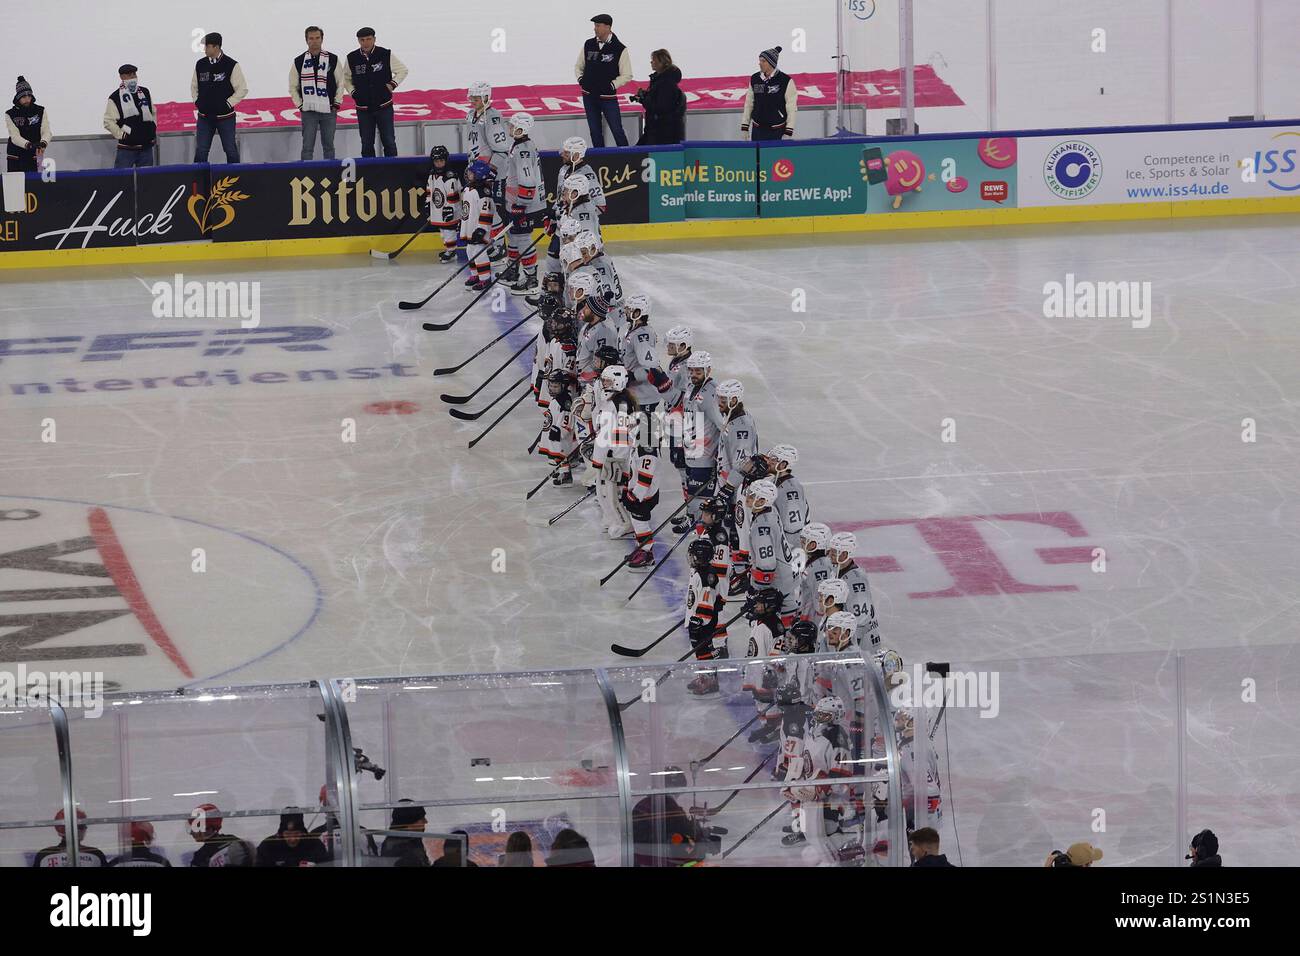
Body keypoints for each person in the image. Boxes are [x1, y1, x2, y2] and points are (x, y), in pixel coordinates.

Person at [345, 28, 407, 158]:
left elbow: (402, 70)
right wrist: (353, 92)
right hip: (363, 108)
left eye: (368, 39)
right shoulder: (352, 58)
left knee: (389, 141)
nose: (366, 42)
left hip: (384, 106)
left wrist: (392, 84)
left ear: (374, 39)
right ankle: (369, 175)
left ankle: (392, 173)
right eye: (362, 40)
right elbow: (345, 78)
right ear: (358, 41)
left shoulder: (385, 54)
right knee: (366, 144)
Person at [502, 112, 546, 295]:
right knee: (513, 236)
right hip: (517, 202)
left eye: (512, 126)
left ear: (521, 128)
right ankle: (513, 271)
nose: (509, 128)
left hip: (525, 204)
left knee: (522, 239)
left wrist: (522, 204)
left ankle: (531, 279)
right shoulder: (519, 144)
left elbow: (528, 180)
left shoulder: (523, 149)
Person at [575, 14, 631, 148]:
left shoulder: (620, 48)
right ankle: (599, 160)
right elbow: (578, 66)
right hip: (589, 96)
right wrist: (581, 80)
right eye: (595, 25)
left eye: (598, 26)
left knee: (617, 130)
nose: (595, 29)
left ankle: (628, 158)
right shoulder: (588, 44)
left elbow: (627, 74)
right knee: (595, 132)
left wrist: (612, 85)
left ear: (608, 27)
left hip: (608, 98)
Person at [290, 26, 346, 161]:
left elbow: (341, 83)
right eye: (311, 38)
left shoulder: (332, 59)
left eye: (317, 38)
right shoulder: (299, 61)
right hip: (309, 111)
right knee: (307, 147)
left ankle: (330, 174)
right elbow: (293, 86)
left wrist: (337, 103)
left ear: (322, 39)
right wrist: (300, 105)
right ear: (306, 40)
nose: (314, 41)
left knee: (329, 146)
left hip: (329, 110)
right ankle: (306, 174)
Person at [191, 33, 247, 163]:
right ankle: (199, 182)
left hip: (225, 118)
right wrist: (197, 102)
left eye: (207, 46)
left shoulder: (231, 64)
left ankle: (235, 180)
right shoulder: (200, 64)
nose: (205, 49)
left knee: (230, 150)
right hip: (204, 117)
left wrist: (227, 104)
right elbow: (194, 86)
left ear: (216, 47)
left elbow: (242, 89)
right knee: (201, 151)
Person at [827, 531, 881, 649]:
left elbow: (861, 618)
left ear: (845, 554)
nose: (830, 554)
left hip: (862, 642)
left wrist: (850, 644)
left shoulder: (856, 580)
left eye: (835, 551)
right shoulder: (835, 572)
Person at [740, 46, 797, 141]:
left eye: (763, 61)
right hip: (757, 130)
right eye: (760, 60)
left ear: (771, 63)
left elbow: (791, 107)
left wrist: (788, 130)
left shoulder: (786, 81)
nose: (760, 64)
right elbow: (749, 103)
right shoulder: (755, 79)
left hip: (777, 131)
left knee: (775, 156)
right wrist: (745, 126)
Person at [103, 65, 156, 168]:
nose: (132, 77)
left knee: (147, 181)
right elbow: (108, 121)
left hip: (146, 147)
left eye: (134, 74)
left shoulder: (145, 92)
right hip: (126, 149)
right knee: (122, 181)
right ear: (122, 77)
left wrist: (152, 128)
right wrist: (122, 135)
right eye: (129, 75)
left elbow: (153, 112)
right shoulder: (115, 97)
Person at [459, 160, 500, 291]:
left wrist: (482, 230)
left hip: (478, 229)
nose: (468, 174)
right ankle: (475, 275)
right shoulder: (467, 189)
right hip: (469, 227)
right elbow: (466, 209)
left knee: (479, 253)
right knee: (470, 251)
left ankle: (485, 278)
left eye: (471, 173)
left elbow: (487, 212)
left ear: (479, 175)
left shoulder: (484, 192)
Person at [632, 49, 685, 146]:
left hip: (662, 133)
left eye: (654, 60)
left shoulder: (666, 83)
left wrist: (643, 99)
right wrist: (646, 95)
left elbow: (661, 107)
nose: (651, 62)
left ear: (661, 62)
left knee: (637, 155)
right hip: (657, 130)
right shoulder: (661, 81)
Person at [32, 809, 108, 867]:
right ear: (77, 830)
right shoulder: (95, 854)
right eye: (83, 826)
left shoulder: (44, 855)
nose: (85, 829)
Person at [6, 76, 51, 173]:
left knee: (36, 184)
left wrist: (43, 143)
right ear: (18, 98)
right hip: (15, 156)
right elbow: (14, 136)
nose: (27, 99)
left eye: (29, 96)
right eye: (23, 97)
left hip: (35, 154)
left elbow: (46, 131)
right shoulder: (10, 114)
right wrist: (29, 145)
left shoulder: (40, 110)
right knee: (16, 186)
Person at [426, 145, 463, 262]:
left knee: (449, 231)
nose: (439, 163)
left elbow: (454, 195)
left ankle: (451, 251)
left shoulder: (449, 176)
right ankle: (449, 248)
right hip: (438, 210)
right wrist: (428, 205)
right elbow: (429, 191)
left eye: (441, 160)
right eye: (436, 161)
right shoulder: (432, 174)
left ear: (446, 160)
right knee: (443, 231)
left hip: (450, 209)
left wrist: (450, 209)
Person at [256, 809, 330, 867]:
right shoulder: (268, 846)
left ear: (302, 832)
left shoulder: (314, 844)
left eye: (297, 834)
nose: (293, 839)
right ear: (281, 833)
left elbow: (326, 864)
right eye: (288, 834)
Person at [188, 803, 254, 867]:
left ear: (207, 827)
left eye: (195, 828)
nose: (191, 832)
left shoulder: (201, 855)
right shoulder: (232, 839)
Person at [379, 800, 429, 867]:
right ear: (410, 823)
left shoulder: (412, 838)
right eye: (422, 819)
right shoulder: (399, 848)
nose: (426, 821)